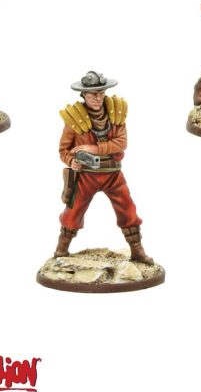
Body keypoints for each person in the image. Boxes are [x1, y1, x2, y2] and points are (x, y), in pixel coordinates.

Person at [55, 71, 153, 264]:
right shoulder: (74, 120)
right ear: (84, 95)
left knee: (128, 210)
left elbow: (121, 143)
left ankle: (137, 250)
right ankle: (61, 250)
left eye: (101, 93)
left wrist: (96, 148)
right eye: (93, 94)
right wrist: (72, 161)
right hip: (86, 175)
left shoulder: (116, 114)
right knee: (73, 212)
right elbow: (63, 151)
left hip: (113, 174)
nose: (98, 98)